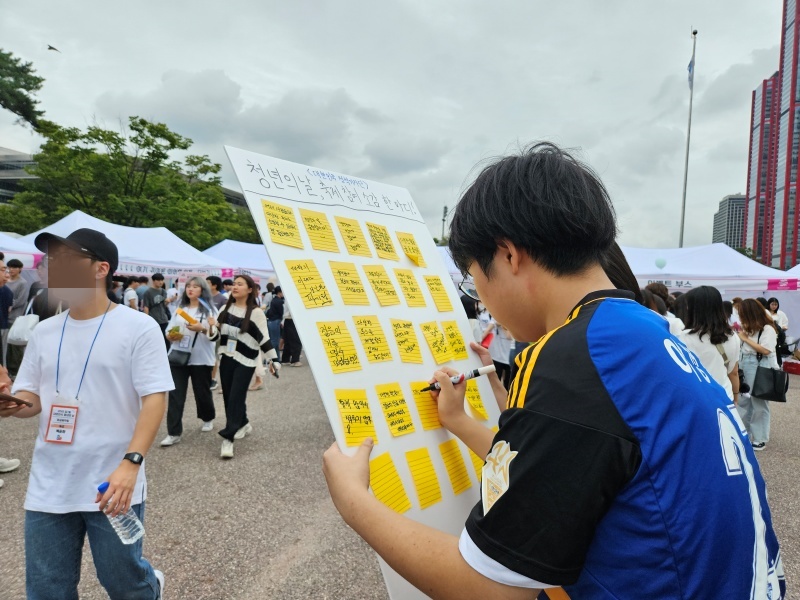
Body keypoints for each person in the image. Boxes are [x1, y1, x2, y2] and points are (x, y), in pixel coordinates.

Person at [322, 143, 785, 599]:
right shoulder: (642, 329)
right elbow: (566, 470)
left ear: (507, 255)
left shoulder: (575, 359)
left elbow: (490, 589)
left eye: (472, 277)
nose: (481, 297)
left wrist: (356, 503)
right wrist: (460, 422)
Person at [0, 227, 173, 599]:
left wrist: (132, 464)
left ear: (100, 269)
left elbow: (155, 398)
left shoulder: (138, 327)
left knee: (123, 583)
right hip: (50, 482)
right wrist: (10, 403)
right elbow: (32, 398)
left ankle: (150, 587)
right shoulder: (45, 332)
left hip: (112, 481)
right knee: (47, 589)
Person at [212, 275, 280, 459]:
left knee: (235, 396)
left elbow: (264, 339)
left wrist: (274, 360)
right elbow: (215, 336)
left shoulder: (256, 313)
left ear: (250, 289)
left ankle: (229, 438)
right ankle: (243, 423)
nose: (235, 286)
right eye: (234, 284)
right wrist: (208, 329)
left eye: (239, 284)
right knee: (229, 396)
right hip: (227, 357)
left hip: (246, 360)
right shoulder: (225, 308)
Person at [160, 277, 219, 447]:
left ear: (203, 290)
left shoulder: (209, 309)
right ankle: (173, 432)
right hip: (178, 356)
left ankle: (207, 417)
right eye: (188, 286)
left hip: (201, 357)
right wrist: (170, 335)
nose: (190, 289)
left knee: (202, 392)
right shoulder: (181, 309)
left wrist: (202, 329)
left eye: (195, 286)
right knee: (175, 394)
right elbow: (169, 328)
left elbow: (215, 334)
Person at [678, 286, 741, 404]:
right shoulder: (732, 336)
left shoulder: (683, 337)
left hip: (697, 400)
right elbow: (733, 372)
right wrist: (735, 398)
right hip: (725, 396)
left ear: (693, 309)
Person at [737, 298, 779, 452]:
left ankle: (760, 438)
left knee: (759, 401)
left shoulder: (767, 328)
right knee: (743, 400)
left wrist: (745, 339)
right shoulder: (747, 328)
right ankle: (744, 433)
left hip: (759, 365)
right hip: (744, 363)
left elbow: (766, 350)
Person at [6, 258, 31, 377]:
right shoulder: (5, 280)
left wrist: (9, 304)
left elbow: (21, 300)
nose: (11, 270)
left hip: (15, 317)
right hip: (4, 317)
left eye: (14, 267)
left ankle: (15, 371)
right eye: (9, 267)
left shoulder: (23, 283)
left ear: (20, 269)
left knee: (14, 345)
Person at [206, 276, 227, 391]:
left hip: (216, 332)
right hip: (204, 330)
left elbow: (225, 316)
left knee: (214, 356)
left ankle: (213, 379)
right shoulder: (204, 298)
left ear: (214, 285)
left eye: (208, 283)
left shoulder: (222, 299)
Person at [143, 273, 171, 349]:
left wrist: (167, 302)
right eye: (158, 280)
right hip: (153, 319)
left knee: (166, 339)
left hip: (164, 319)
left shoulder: (163, 291)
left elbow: (164, 306)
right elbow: (146, 306)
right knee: (155, 339)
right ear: (153, 281)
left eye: (162, 280)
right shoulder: (148, 292)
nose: (161, 282)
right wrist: (147, 319)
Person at [282, 296, 303, 366]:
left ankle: (285, 359)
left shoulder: (288, 297)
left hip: (287, 320)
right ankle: (295, 360)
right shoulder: (293, 298)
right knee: (296, 340)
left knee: (288, 341)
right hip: (292, 319)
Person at [0, 257, 13, 367]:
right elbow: (10, 307)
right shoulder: (7, 291)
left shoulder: (6, 290)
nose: (8, 275)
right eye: (3, 270)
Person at [266, 285, 285, 360]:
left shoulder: (274, 300)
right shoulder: (280, 301)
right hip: (275, 322)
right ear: (279, 292)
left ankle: (276, 359)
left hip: (271, 321)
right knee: (275, 342)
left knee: (274, 341)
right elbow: (282, 313)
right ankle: (271, 358)